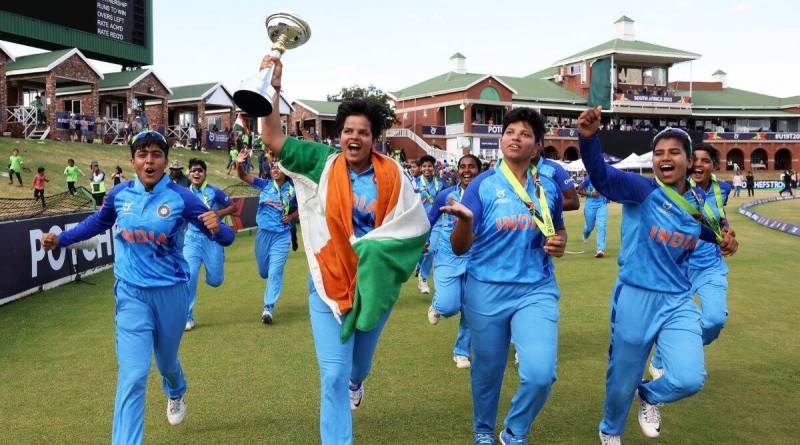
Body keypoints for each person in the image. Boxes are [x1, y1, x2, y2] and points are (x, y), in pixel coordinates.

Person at [259, 55, 428, 445]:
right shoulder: (322, 161)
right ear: (339, 135)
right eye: (348, 130)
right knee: (332, 374)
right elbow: (272, 138)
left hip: (373, 286)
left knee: (357, 367)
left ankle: (358, 381)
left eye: (363, 132)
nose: (355, 137)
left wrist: (380, 255)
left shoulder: (393, 173)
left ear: (374, 138)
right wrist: (274, 87)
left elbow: (415, 226)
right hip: (328, 283)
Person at [40, 129, 234, 445]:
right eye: (142, 155)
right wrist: (62, 239)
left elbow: (226, 236)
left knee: (167, 362)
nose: (149, 161)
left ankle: (176, 391)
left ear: (166, 161)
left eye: (156, 154)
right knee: (133, 375)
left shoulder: (183, 198)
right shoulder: (120, 195)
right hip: (130, 293)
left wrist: (218, 229)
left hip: (171, 293)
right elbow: (96, 223)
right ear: (133, 161)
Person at [577, 108, 738, 444]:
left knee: (689, 378)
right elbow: (601, 176)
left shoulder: (696, 201)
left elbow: (705, 228)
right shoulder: (641, 189)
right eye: (659, 153)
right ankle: (610, 431)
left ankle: (649, 395)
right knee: (622, 379)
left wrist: (725, 237)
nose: (665, 158)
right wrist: (589, 139)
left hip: (677, 299)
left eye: (674, 152)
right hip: (636, 296)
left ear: (689, 161)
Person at [441, 108, 567, 444]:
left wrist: (560, 242)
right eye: (510, 132)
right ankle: (483, 431)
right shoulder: (482, 185)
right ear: (501, 140)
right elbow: (458, 247)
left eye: (525, 134)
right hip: (486, 290)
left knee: (540, 373)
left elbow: (557, 230)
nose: (515, 138)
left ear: (537, 146)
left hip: (536, 289)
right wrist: (466, 222)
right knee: (487, 370)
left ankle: (514, 431)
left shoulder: (547, 186)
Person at [649, 144, 734, 381]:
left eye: (705, 160)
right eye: (694, 159)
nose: (698, 164)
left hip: (710, 266)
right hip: (679, 267)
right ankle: (666, 358)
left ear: (714, 166)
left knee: (714, 320)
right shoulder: (676, 188)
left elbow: (719, 217)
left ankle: (663, 355)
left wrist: (726, 231)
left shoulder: (723, 189)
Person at [426, 154, 480, 369]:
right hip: (448, 256)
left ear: (479, 170)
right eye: (463, 167)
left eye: (472, 167)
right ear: (457, 171)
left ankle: (462, 352)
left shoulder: (487, 194)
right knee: (449, 306)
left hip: (477, 258)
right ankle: (437, 305)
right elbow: (430, 219)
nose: (467, 170)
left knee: (471, 307)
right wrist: (423, 240)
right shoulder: (446, 195)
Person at [236, 158, 298, 324]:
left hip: (282, 235)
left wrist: (291, 216)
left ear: (286, 171)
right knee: (264, 271)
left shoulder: (293, 189)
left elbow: (304, 207)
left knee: (275, 271)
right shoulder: (264, 184)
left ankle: (268, 308)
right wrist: (239, 164)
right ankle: (269, 285)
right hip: (263, 234)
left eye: (279, 167)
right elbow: (243, 176)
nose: (275, 170)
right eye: (273, 167)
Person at [182, 158, 236, 330]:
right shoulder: (184, 194)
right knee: (189, 276)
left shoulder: (214, 192)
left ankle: (211, 265)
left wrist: (217, 214)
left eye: (200, 170)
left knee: (215, 280)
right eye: (193, 170)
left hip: (212, 238)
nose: (196, 173)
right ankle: (187, 317)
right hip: (192, 239)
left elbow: (233, 207)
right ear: (189, 174)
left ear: (205, 173)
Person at [416, 155, 443, 294]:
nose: (427, 169)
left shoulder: (441, 184)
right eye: (424, 166)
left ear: (434, 168)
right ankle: (419, 266)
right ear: (421, 168)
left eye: (430, 166)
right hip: (420, 222)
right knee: (421, 251)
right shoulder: (415, 184)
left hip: (437, 221)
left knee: (432, 250)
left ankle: (423, 277)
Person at [576, 176, 608, 257]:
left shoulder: (604, 177)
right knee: (589, 227)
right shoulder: (588, 179)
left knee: (601, 226)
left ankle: (600, 250)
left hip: (602, 204)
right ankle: (585, 234)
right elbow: (579, 190)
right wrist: (590, 193)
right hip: (590, 205)